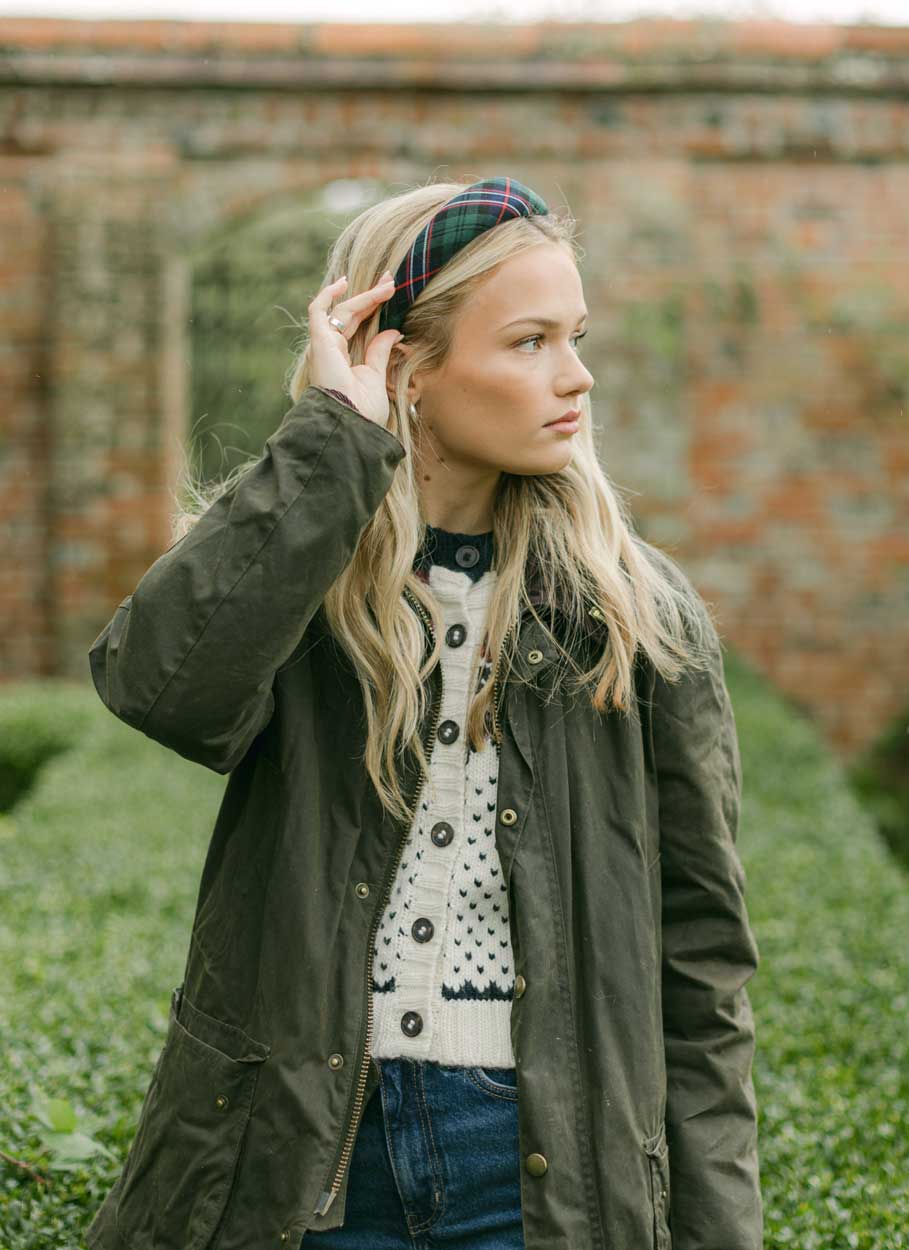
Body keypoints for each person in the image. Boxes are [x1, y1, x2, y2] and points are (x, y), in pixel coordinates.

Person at [84, 175, 762, 1250]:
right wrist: (329, 444)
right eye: (530, 341)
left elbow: (701, 962)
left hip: (540, 1166)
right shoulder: (297, 573)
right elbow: (159, 688)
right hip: (297, 1152)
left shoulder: (635, 612)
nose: (576, 377)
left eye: (574, 336)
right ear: (403, 361)